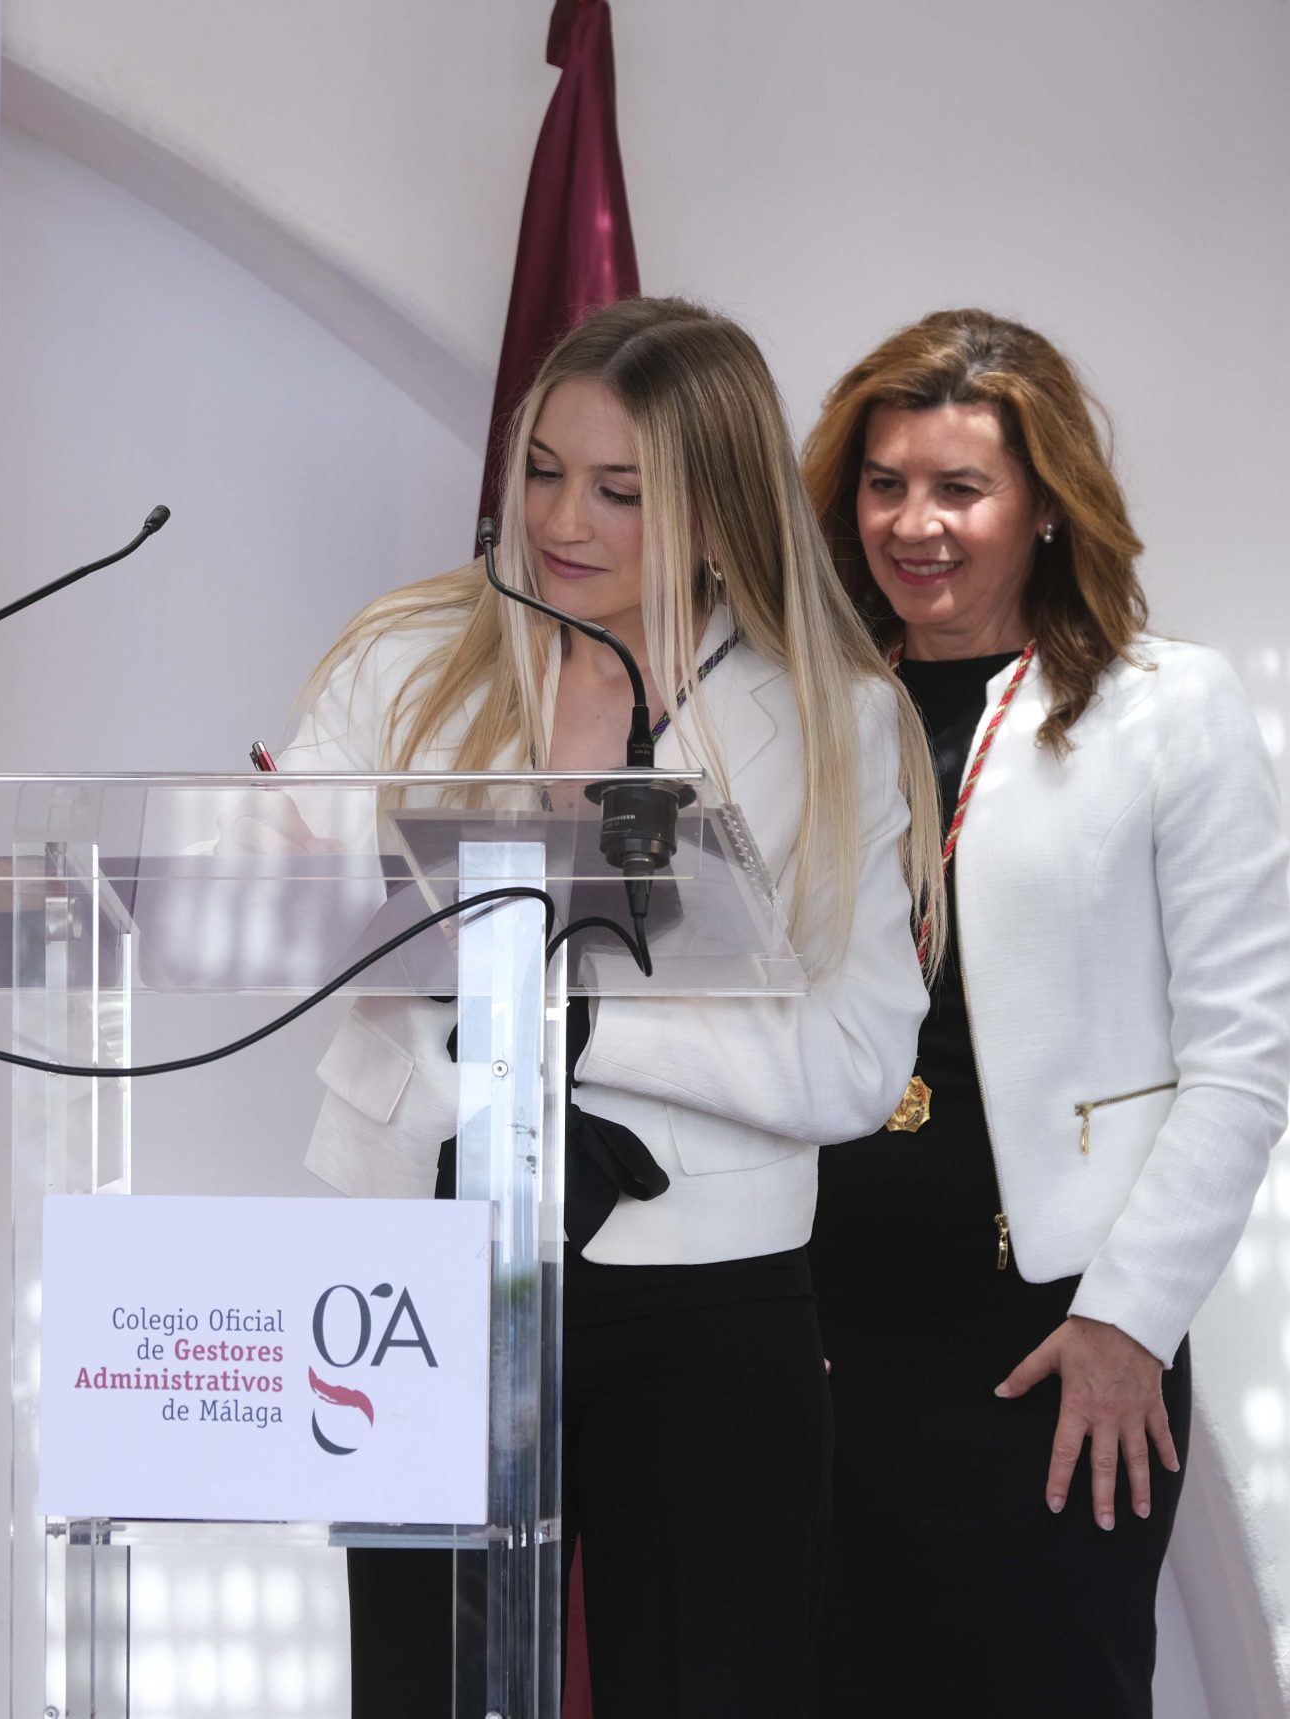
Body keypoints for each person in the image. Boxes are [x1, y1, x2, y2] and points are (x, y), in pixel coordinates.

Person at [278, 296, 938, 1716]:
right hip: (417, 1270)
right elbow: (273, 895)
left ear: (717, 510)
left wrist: (559, 1015)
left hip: (704, 1296)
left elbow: (856, 1060)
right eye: (542, 472)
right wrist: (272, 865)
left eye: (621, 491)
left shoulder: (831, 719)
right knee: (425, 1694)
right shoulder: (402, 659)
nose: (563, 520)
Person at [799, 309, 1290, 1716]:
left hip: (1051, 1350)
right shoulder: (807, 712)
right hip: (818, 1334)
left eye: (960, 488)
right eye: (885, 484)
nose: (915, 524)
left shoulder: (1169, 709)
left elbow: (1240, 1063)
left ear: (1047, 507)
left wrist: (1129, 1324)